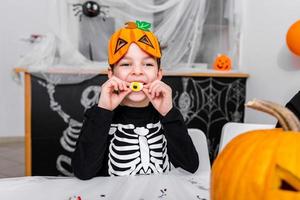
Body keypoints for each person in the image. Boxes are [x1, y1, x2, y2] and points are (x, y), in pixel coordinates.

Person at [72, 21, 199, 180]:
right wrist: (104, 109)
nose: (137, 72)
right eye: (126, 64)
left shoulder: (167, 115)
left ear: (158, 75)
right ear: (111, 75)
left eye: (147, 64)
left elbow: (190, 167)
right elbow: (83, 172)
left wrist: (169, 113)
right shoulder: (98, 115)